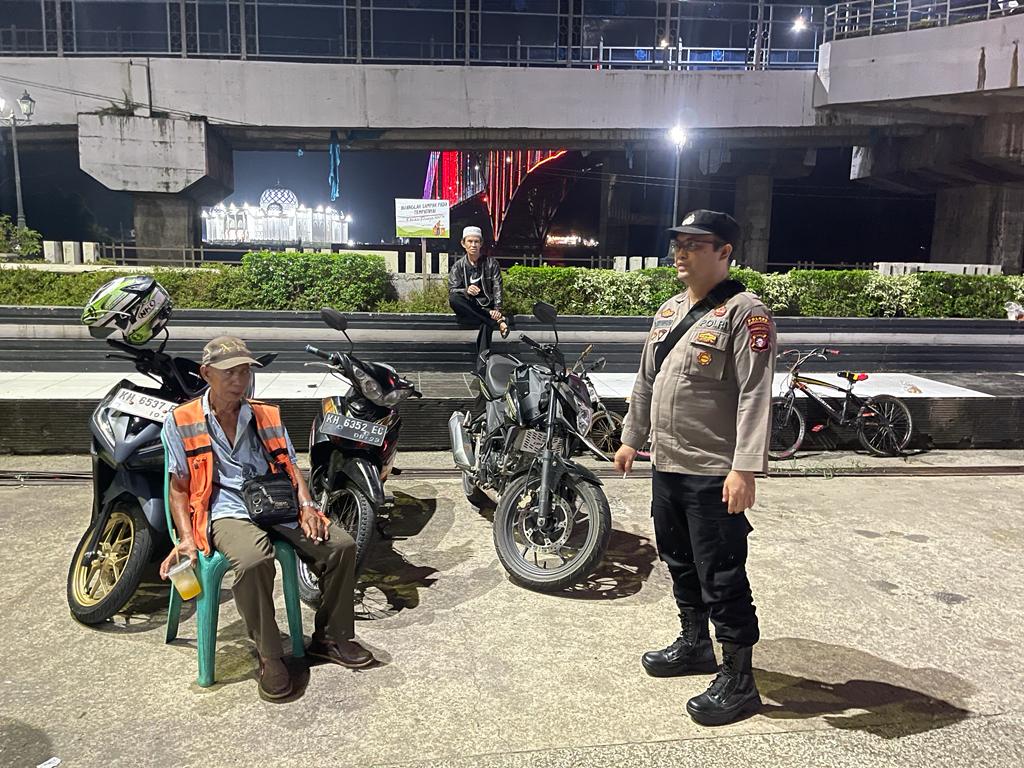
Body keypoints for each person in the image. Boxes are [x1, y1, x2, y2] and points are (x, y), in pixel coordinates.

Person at [613, 210, 776, 727]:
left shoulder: (745, 313)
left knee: (722, 574)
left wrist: (744, 468)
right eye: (677, 244)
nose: (680, 253)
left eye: (694, 245)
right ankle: (695, 644)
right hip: (668, 466)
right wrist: (631, 437)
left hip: (713, 471)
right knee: (679, 561)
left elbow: (755, 394)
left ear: (724, 251)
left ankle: (740, 679)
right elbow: (646, 380)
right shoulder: (667, 312)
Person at [159, 335, 374, 700]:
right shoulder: (182, 420)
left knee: (340, 545)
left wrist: (308, 506)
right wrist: (186, 538)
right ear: (206, 374)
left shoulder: (265, 414)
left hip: (274, 502)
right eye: (229, 373)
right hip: (224, 508)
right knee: (254, 559)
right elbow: (178, 487)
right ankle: (269, 655)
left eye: (244, 371)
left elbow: (290, 465)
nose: (239, 380)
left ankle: (331, 638)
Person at [448, 226, 510, 367]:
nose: (473, 245)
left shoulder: (491, 263)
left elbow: (497, 287)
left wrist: (497, 309)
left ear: (481, 243)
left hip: (486, 307)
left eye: (476, 241)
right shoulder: (458, 266)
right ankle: (496, 320)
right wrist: (466, 291)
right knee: (454, 299)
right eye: (470, 241)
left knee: (486, 325)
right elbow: (452, 290)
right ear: (463, 243)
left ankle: (482, 367)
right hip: (469, 308)